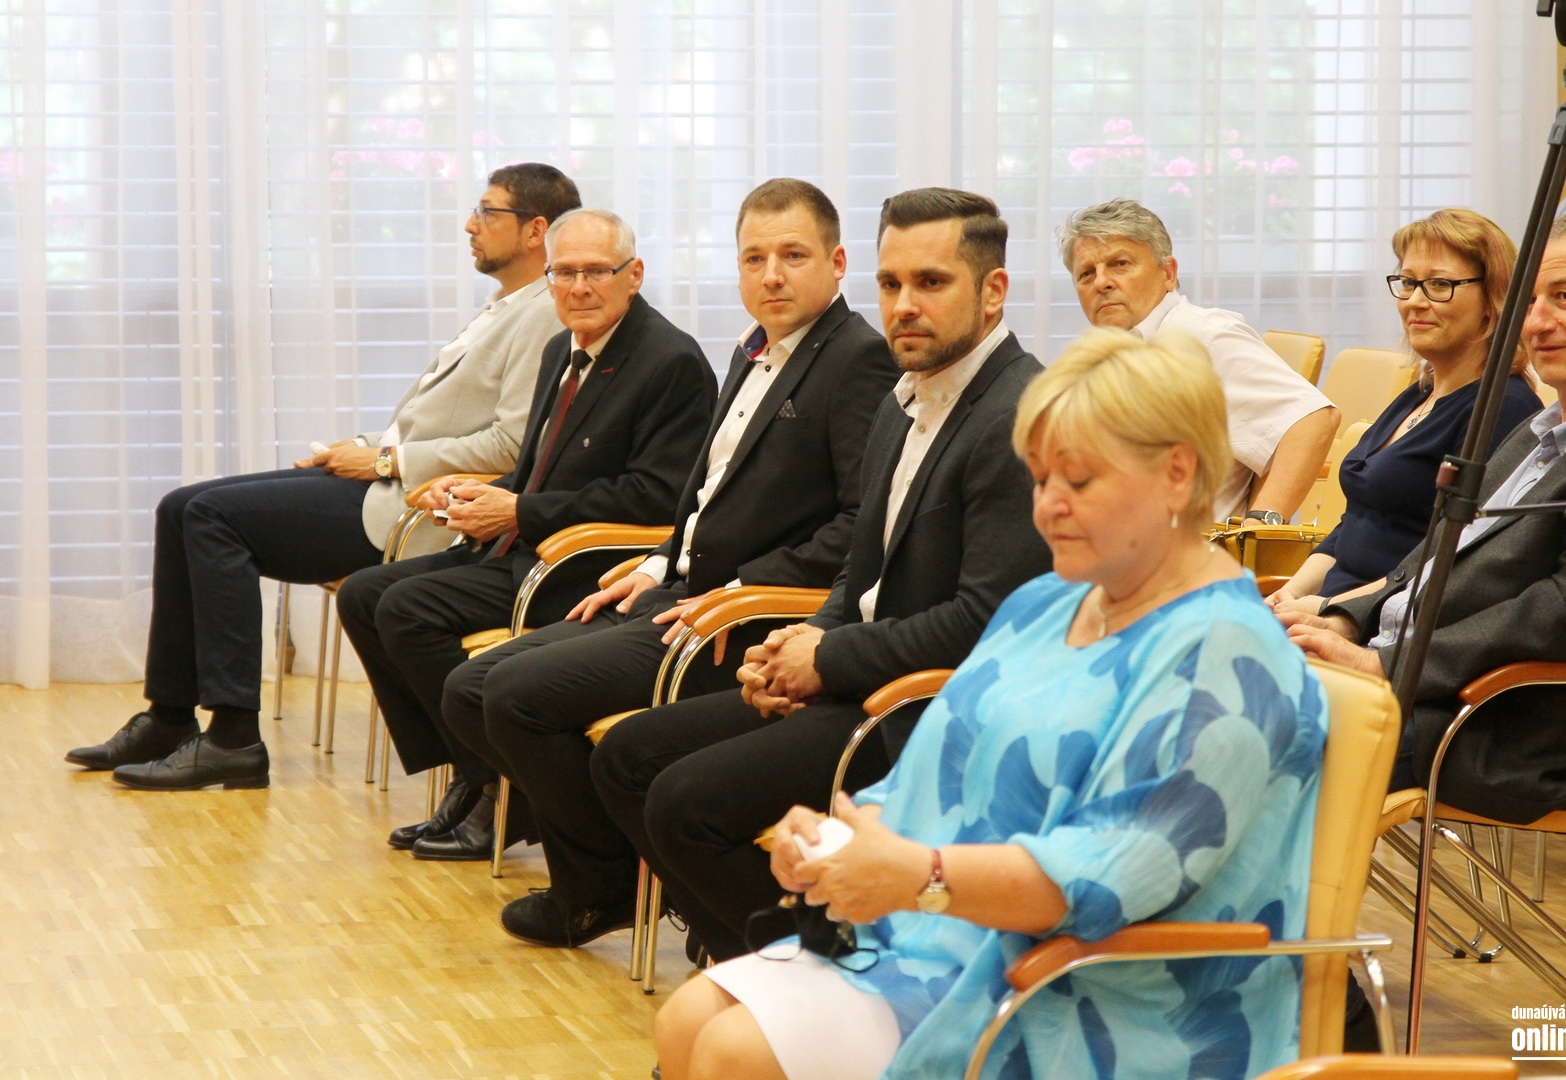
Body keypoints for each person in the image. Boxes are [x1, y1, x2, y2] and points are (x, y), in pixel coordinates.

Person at [654, 328, 1329, 1080]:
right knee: (687, 1019)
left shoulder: (1225, 658)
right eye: (1040, 480)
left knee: (736, 1053)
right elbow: (936, 777)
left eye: (1078, 481)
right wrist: (842, 838)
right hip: (955, 935)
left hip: (1100, 993)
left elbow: (1106, 876)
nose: (1048, 508)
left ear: (1177, 473)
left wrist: (917, 874)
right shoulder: (1050, 601)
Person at [592, 186, 1051, 965]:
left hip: (921, 710)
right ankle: (770, 963)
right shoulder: (904, 397)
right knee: (627, 758)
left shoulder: (1016, 416)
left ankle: (818, 971)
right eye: (890, 283)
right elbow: (860, 569)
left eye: (931, 282)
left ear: (993, 290)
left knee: (682, 802)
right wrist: (802, 639)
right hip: (855, 675)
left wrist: (828, 657)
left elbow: (982, 622)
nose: (904, 305)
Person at [438, 178, 900, 944]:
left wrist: (742, 588)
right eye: (754, 258)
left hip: (736, 621)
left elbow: (860, 526)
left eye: (792, 256)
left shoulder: (856, 359)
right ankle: (632, 872)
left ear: (838, 262)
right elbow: (704, 497)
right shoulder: (753, 349)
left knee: (515, 695)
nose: (772, 275)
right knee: (471, 687)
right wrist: (654, 564)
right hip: (678, 590)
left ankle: (600, 887)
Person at [67, 162, 581, 791]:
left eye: (486, 211)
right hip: (386, 479)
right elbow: (438, 420)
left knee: (211, 518)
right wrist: (362, 447)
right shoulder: (504, 307)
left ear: (535, 230)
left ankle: (232, 737)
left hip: (419, 507)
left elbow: (512, 445)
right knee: (180, 505)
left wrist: (387, 462)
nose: (470, 225)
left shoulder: (544, 315)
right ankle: (169, 717)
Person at [334, 208, 717, 859]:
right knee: (364, 595)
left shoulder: (669, 361)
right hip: (523, 546)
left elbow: (657, 496)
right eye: (564, 273)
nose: (579, 287)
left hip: (582, 566)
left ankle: (494, 791)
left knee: (405, 609)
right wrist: (475, 489)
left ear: (634, 275)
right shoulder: (560, 348)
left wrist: (519, 512)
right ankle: (477, 773)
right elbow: (539, 465)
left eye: (596, 271)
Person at [1282, 213, 1566, 823]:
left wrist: (1383, 662)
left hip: (1492, 721)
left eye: (1565, 297)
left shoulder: (1533, 426)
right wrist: (1347, 620)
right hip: (1416, 678)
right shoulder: (1537, 436)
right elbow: (1434, 554)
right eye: (1531, 301)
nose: (1538, 321)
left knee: (1243, 731)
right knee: (1205, 680)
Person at [1267, 208, 1541, 611]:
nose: (1414, 301)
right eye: (1409, 282)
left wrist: (1330, 609)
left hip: (1387, 623)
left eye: (1439, 284)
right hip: (1332, 608)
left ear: (1493, 299)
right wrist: (1292, 592)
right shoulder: (1418, 394)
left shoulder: (1502, 409)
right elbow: (1358, 521)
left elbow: (1456, 564)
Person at [1063, 197, 1339, 523]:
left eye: (1120, 264)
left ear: (1168, 273)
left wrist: (1258, 529)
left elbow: (1314, 420)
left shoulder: (1202, 336)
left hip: (1190, 548)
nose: (1101, 282)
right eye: (1086, 274)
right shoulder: (1110, 353)